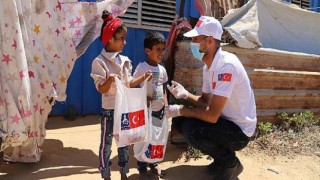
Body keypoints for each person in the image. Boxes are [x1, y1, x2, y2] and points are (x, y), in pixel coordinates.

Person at [165, 16, 257, 180]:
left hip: (239, 132)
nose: (192, 43)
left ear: (209, 42)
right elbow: (205, 103)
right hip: (225, 122)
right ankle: (221, 160)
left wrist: (182, 110)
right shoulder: (209, 67)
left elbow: (212, 115)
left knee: (192, 129)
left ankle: (230, 163)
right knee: (180, 123)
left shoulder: (226, 66)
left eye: (195, 39)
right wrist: (186, 95)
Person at [90, 10, 152, 180]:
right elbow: (101, 89)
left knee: (124, 142)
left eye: (125, 38)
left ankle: (124, 173)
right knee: (107, 143)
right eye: (121, 38)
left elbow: (129, 84)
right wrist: (109, 80)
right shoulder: (99, 62)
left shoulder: (124, 61)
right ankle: (106, 174)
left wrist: (142, 77)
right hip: (109, 111)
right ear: (110, 38)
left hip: (123, 111)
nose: (124, 42)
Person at [131, 32, 168, 179]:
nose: (161, 52)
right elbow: (132, 84)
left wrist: (166, 104)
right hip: (146, 112)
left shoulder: (162, 69)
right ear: (148, 51)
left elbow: (163, 88)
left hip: (159, 111)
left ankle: (153, 163)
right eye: (157, 49)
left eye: (162, 49)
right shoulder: (141, 67)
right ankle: (142, 167)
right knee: (143, 138)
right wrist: (143, 97)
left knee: (156, 138)